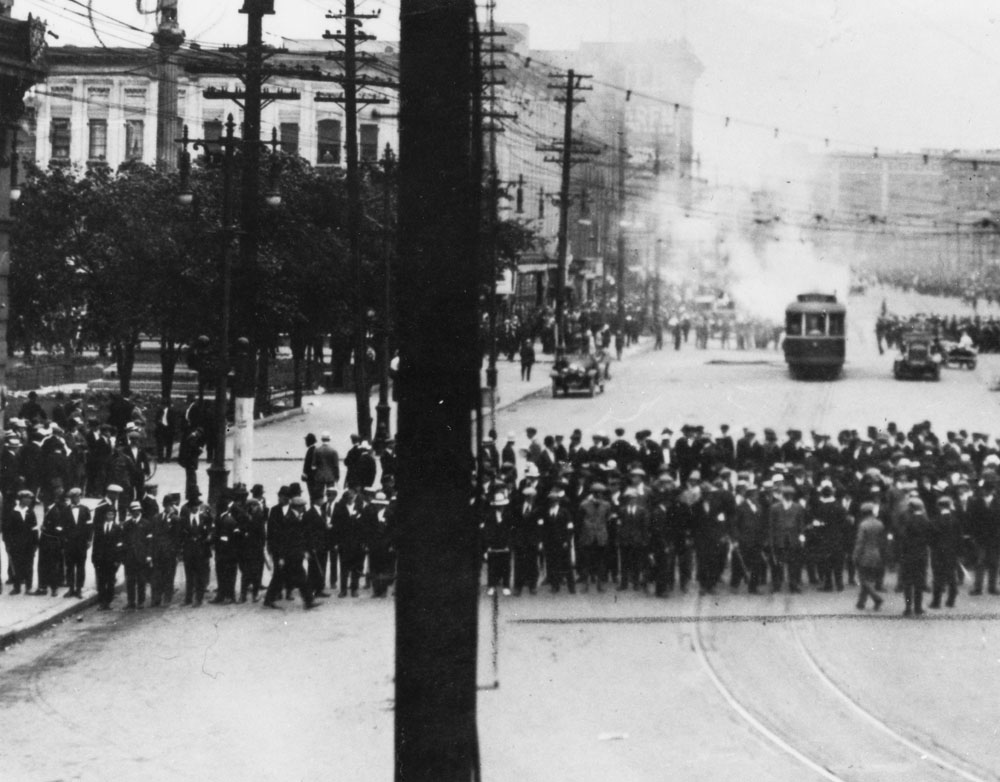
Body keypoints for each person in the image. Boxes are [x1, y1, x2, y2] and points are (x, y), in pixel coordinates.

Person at [263, 496, 318, 609]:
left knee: (280, 577)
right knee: (299, 577)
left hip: (293, 553)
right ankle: (308, 601)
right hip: (291, 554)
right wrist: (282, 556)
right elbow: (286, 539)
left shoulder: (294, 517)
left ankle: (269, 600)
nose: (304, 508)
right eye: (303, 506)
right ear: (297, 507)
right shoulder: (290, 519)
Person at [896, 495, 933, 616]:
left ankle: (908, 607)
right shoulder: (926, 520)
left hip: (908, 555)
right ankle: (918, 607)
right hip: (921, 554)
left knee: (907, 584)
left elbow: (902, 537)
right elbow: (929, 538)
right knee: (919, 582)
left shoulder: (908, 521)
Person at [178, 488, 213, 607]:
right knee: (189, 575)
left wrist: (209, 536)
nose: (194, 507)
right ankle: (188, 598)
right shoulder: (184, 514)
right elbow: (181, 532)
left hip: (201, 549)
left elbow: (211, 527)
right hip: (188, 549)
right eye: (192, 505)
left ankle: (199, 598)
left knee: (199, 574)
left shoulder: (205, 514)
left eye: (196, 505)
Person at [92, 486, 125, 610]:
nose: (117, 497)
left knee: (110, 579)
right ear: (110, 493)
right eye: (115, 494)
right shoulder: (103, 505)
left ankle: (107, 600)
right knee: (102, 579)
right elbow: (97, 526)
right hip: (101, 551)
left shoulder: (110, 504)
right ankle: (103, 601)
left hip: (111, 554)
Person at [149, 492, 181, 607]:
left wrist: (177, 554)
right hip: (158, 552)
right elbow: (153, 536)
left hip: (170, 552)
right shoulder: (156, 518)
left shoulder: (176, 519)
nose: (169, 507)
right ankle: (156, 598)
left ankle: (167, 598)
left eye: (171, 505)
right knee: (156, 576)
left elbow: (177, 538)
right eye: (167, 505)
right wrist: (151, 553)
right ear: (163, 505)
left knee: (169, 575)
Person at [332, 487, 365, 597]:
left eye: (352, 498)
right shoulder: (339, 508)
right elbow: (335, 527)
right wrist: (336, 542)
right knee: (344, 567)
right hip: (344, 542)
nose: (351, 500)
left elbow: (363, 527)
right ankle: (343, 590)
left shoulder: (359, 508)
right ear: (345, 499)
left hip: (357, 542)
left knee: (355, 567)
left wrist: (362, 541)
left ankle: (354, 589)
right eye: (348, 498)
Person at [853, 502, 886, 610]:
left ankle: (877, 598)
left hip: (865, 554)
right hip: (877, 554)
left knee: (863, 579)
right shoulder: (879, 523)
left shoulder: (863, 525)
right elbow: (882, 541)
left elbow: (860, 542)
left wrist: (855, 556)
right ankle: (861, 603)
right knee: (869, 579)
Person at [60, 487, 92, 598]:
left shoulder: (85, 509)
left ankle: (79, 589)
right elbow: (62, 528)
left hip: (81, 543)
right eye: (73, 497)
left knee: (80, 567)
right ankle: (71, 588)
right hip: (69, 543)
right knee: (69, 567)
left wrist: (89, 540)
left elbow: (89, 527)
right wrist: (63, 541)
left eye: (78, 496)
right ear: (70, 498)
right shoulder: (65, 510)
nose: (76, 498)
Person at [930, 495, 961, 609]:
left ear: (939, 506)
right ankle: (951, 600)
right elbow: (959, 538)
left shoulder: (935, 520)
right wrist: (958, 552)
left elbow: (931, 538)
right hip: (951, 551)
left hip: (938, 552)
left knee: (938, 576)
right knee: (951, 575)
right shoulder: (955, 520)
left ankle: (936, 601)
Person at [481, 490, 513, 596]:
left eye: (502, 505)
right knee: (492, 567)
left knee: (506, 566)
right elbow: (487, 532)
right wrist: (488, 546)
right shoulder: (489, 516)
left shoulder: (508, 515)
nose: (500, 507)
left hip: (505, 545)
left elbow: (511, 532)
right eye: (498, 505)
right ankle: (491, 586)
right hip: (493, 545)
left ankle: (506, 586)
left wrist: (509, 545)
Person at [122, 500, 153, 609]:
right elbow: (124, 542)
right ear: (130, 512)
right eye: (133, 511)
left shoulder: (146, 524)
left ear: (140, 511)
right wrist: (123, 556)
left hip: (142, 556)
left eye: (137, 510)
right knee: (130, 580)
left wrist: (149, 555)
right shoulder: (127, 525)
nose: (136, 512)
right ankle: (131, 601)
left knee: (141, 580)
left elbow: (149, 541)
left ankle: (141, 601)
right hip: (129, 557)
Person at [7, 489, 38, 595]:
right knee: (17, 565)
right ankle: (17, 587)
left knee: (29, 565)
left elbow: (34, 529)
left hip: (29, 544)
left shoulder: (30, 512)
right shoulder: (13, 513)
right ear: (21, 499)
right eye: (27, 498)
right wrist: (9, 544)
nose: (29, 500)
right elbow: (8, 531)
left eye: (30, 498)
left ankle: (29, 587)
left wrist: (35, 543)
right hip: (16, 544)